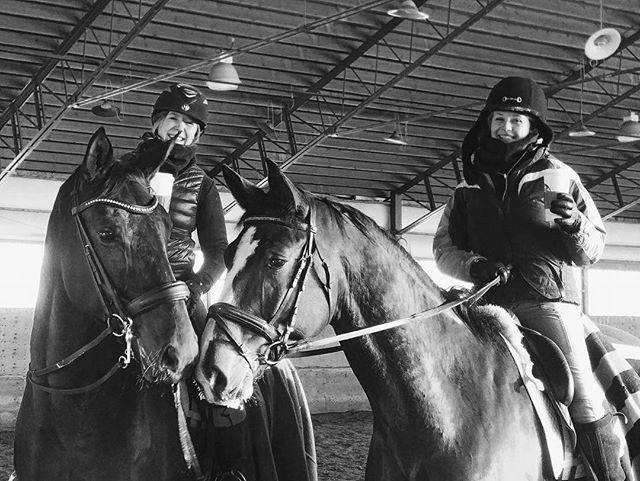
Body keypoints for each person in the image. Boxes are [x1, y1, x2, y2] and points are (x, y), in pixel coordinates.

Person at [433, 76, 626, 481]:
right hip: (486, 302)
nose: (504, 127)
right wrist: (473, 266)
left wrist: (574, 224)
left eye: (515, 120)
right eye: (498, 118)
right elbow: (443, 251)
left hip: (546, 303)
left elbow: (593, 250)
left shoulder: (560, 176)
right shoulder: (466, 187)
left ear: (533, 128)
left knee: (585, 399)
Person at [122, 83, 227, 335]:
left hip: (178, 287)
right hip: (124, 284)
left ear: (196, 133)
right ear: (156, 123)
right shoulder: (124, 171)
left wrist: (197, 287)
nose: (180, 128)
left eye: (189, 123)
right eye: (174, 118)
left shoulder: (204, 185)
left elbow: (219, 250)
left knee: (215, 356)